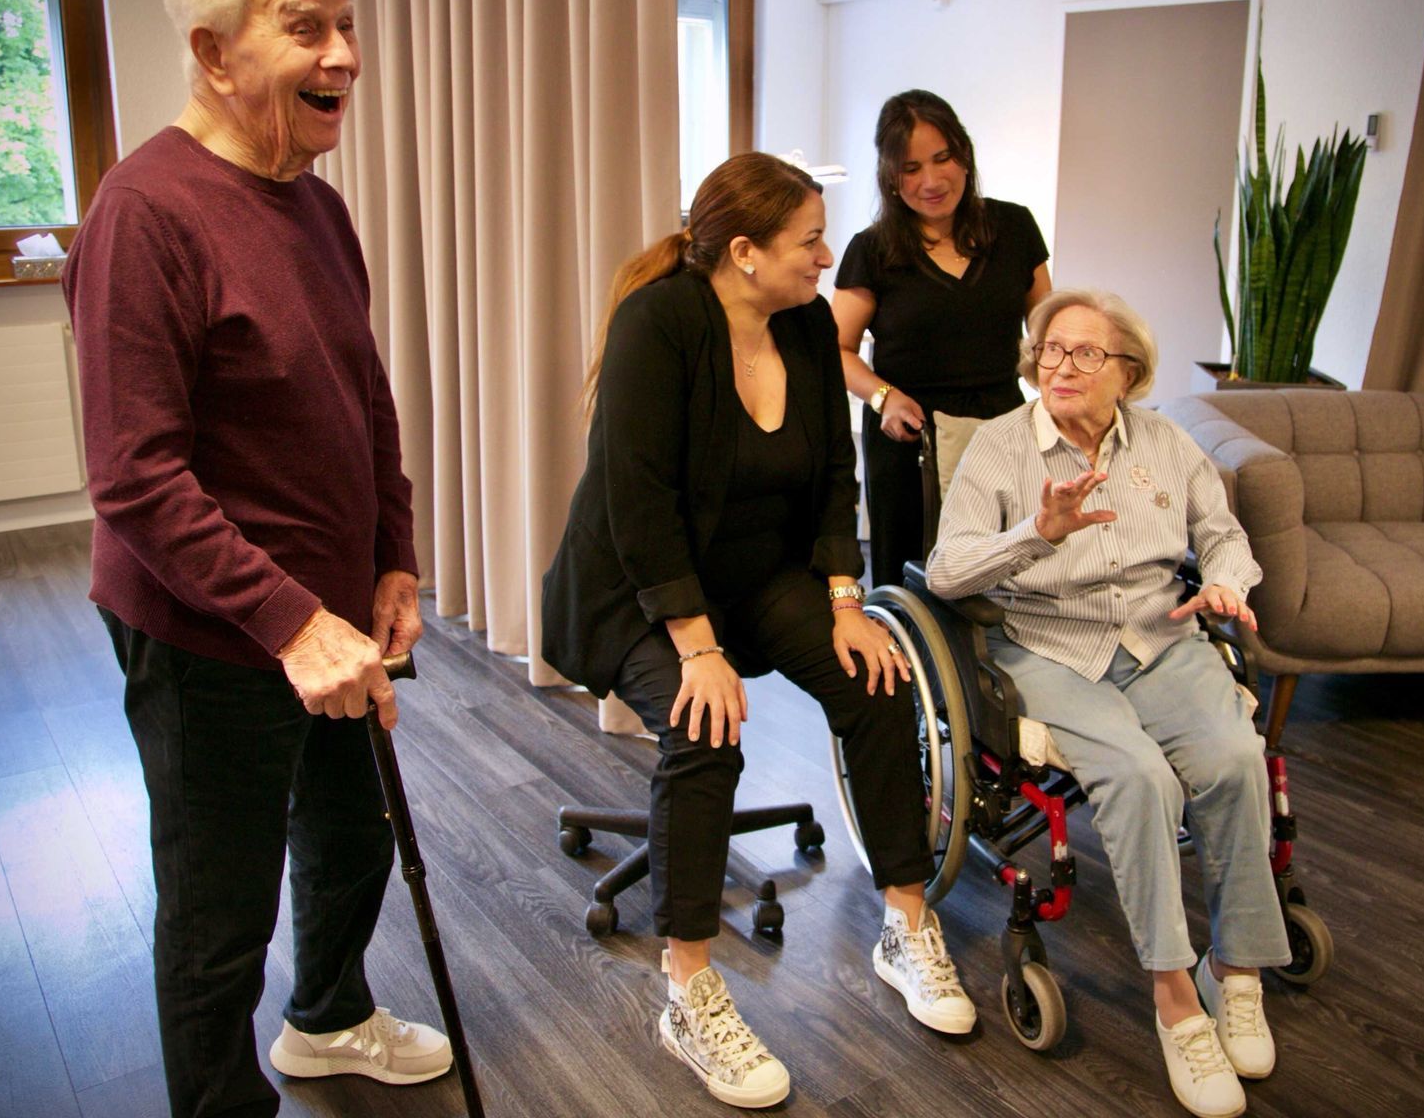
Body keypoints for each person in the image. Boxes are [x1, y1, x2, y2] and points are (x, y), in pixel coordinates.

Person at [64, 0, 451, 1117]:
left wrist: (391, 556)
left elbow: (363, 399)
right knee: (218, 910)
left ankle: (329, 1016)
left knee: (351, 838)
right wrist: (290, 621)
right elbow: (133, 474)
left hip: (335, 615)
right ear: (215, 52)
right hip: (211, 633)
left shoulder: (317, 203)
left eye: (347, 24)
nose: (343, 52)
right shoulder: (147, 214)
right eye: (306, 27)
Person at [542, 152, 977, 1110]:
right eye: (809, 240)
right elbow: (639, 505)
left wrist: (841, 598)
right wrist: (697, 649)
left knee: (877, 679)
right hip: (635, 589)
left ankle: (907, 925)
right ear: (744, 252)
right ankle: (689, 989)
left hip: (756, 576)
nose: (827, 257)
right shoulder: (658, 325)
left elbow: (832, 478)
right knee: (706, 726)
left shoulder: (810, 328)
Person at [925, 289, 1289, 1118]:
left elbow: (1222, 534)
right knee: (1139, 778)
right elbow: (947, 572)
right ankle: (1174, 1000)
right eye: (1051, 350)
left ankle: (1235, 970)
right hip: (1049, 645)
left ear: (1127, 373)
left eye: (1086, 354)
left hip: (1162, 635)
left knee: (1237, 760)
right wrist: (1037, 536)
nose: (1060, 366)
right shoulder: (999, 448)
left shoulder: (1165, 440)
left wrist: (1228, 582)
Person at [832, 89, 1052, 589]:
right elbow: (835, 348)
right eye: (910, 168)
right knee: (911, 580)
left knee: (1003, 573)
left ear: (964, 155)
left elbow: (1047, 335)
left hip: (1000, 428)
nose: (931, 181)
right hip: (908, 437)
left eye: (942, 158)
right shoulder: (873, 250)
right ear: (890, 177)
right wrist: (882, 397)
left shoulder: (1014, 228)